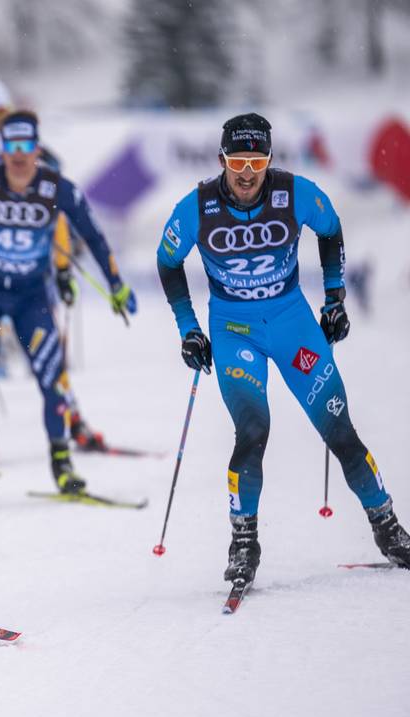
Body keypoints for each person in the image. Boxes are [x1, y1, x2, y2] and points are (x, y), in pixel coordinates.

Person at [156, 112, 409, 582]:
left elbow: (330, 229)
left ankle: (387, 527)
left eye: (257, 160)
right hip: (235, 331)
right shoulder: (196, 207)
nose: (247, 172)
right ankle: (243, 544)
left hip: (293, 327)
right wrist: (189, 328)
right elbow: (167, 260)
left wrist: (334, 299)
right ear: (221, 160)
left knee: (341, 434)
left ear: (270, 159)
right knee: (252, 432)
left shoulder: (294, 193)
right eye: (237, 160)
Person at [0, 112, 136, 491]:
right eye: (11, 146)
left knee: (51, 379)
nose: (19, 155)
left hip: (30, 298)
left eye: (26, 146)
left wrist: (116, 284)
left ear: (37, 147)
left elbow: (95, 237)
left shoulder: (58, 188)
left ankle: (62, 463)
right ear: (2, 149)